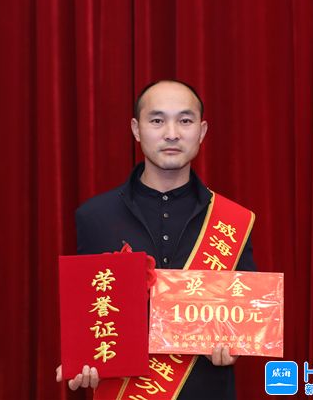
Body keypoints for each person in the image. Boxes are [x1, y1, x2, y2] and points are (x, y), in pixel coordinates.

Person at [56, 80, 256, 399]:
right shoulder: (94, 216)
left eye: (185, 120)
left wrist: (236, 345)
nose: (172, 133)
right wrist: (82, 361)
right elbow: (90, 314)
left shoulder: (232, 221)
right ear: (136, 129)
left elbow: (246, 316)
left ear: (202, 131)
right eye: (157, 120)